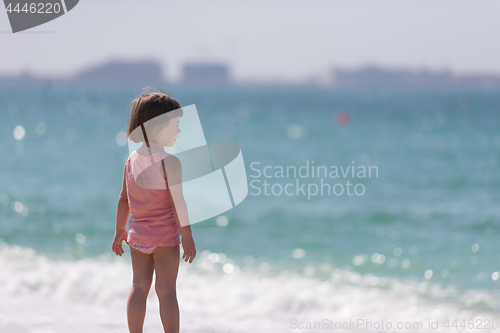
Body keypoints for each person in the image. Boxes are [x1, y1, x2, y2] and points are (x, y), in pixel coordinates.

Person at [112, 88, 196, 333]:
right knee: (167, 291)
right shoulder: (169, 162)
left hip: (138, 238)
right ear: (159, 128)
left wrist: (119, 230)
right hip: (165, 239)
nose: (179, 131)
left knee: (138, 287)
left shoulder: (131, 161)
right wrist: (188, 236)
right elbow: (177, 202)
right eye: (176, 125)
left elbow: (123, 198)